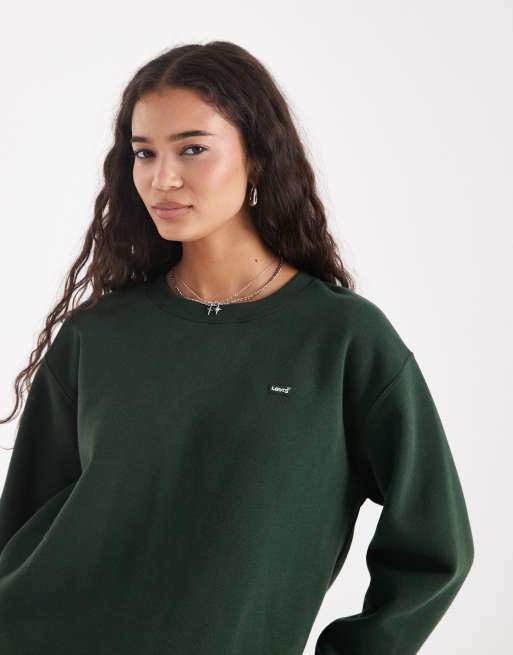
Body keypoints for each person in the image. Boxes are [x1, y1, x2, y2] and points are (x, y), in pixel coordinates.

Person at [0, 40, 474, 654]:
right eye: (144, 153)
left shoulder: (342, 339)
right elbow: (20, 526)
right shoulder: (97, 336)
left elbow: (436, 548)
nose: (162, 178)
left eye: (192, 149)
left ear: (257, 157)